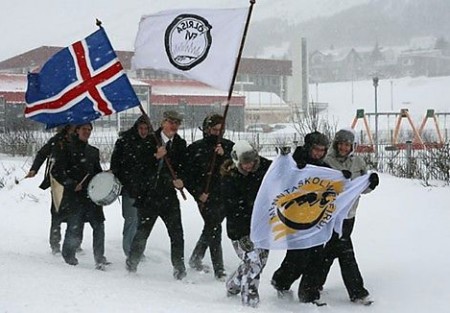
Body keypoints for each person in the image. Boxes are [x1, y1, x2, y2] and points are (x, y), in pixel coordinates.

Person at [319, 128, 379, 305]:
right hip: (329, 215)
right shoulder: (326, 161)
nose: (344, 148)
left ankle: (313, 284)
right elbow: (318, 185)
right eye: (341, 144)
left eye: (347, 144)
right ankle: (357, 292)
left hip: (349, 215)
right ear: (336, 144)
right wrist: (337, 180)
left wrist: (371, 184)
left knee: (329, 251)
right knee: (345, 251)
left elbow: (362, 186)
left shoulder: (358, 162)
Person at [270, 131, 331, 306]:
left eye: (322, 150)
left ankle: (309, 295)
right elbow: (278, 179)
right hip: (295, 220)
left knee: (316, 258)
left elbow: (337, 185)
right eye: (316, 149)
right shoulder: (293, 163)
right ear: (308, 147)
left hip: (317, 221)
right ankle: (281, 282)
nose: (319, 153)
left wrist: (347, 177)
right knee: (298, 258)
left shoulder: (324, 167)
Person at [126, 111, 188, 280]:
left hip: (169, 197)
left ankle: (179, 268)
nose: (174, 126)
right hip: (149, 197)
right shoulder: (149, 140)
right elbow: (137, 166)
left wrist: (181, 180)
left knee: (177, 233)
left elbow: (184, 167)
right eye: (171, 122)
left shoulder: (181, 144)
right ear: (163, 122)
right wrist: (155, 156)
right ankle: (132, 263)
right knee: (143, 232)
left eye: (177, 123)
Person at [50, 122, 109, 270]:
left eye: (89, 130)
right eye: (84, 129)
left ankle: (99, 258)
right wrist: (71, 183)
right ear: (77, 131)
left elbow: (96, 173)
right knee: (74, 227)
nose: (87, 132)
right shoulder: (66, 149)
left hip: (92, 196)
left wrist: (104, 177)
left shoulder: (93, 151)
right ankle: (69, 255)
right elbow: (56, 171)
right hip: (74, 197)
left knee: (99, 226)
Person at [221, 140, 272, 307]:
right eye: (245, 163)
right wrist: (242, 235)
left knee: (259, 262)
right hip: (240, 230)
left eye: (252, 161)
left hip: (263, 227)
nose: (249, 165)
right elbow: (233, 211)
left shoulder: (266, 168)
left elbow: (284, 171)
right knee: (254, 263)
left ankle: (233, 283)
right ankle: (250, 301)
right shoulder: (230, 180)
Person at [185, 114, 234, 280]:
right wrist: (198, 193)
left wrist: (225, 154)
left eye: (221, 130)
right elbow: (188, 176)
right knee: (214, 228)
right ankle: (219, 269)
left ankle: (196, 257)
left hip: (225, 194)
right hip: (205, 196)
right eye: (214, 130)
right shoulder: (195, 149)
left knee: (210, 227)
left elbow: (237, 168)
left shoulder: (229, 147)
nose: (217, 133)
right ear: (206, 129)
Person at [25, 124, 84, 255]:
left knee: (77, 213)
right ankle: (55, 243)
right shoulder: (56, 140)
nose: (73, 129)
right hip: (58, 181)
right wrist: (34, 169)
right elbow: (42, 154)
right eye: (71, 127)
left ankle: (75, 243)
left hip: (75, 181)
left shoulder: (79, 140)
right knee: (57, 212)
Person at [110, 115, 152, 258]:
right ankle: (130, 251)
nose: (143, 131)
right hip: (130, 188)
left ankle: (139, 250)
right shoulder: (124, 142)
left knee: (143, 222)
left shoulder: (152, 142)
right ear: (136, 128)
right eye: (141, 128)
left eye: (146, 128)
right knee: (131, 220)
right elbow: (115, 163)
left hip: (146, 189)